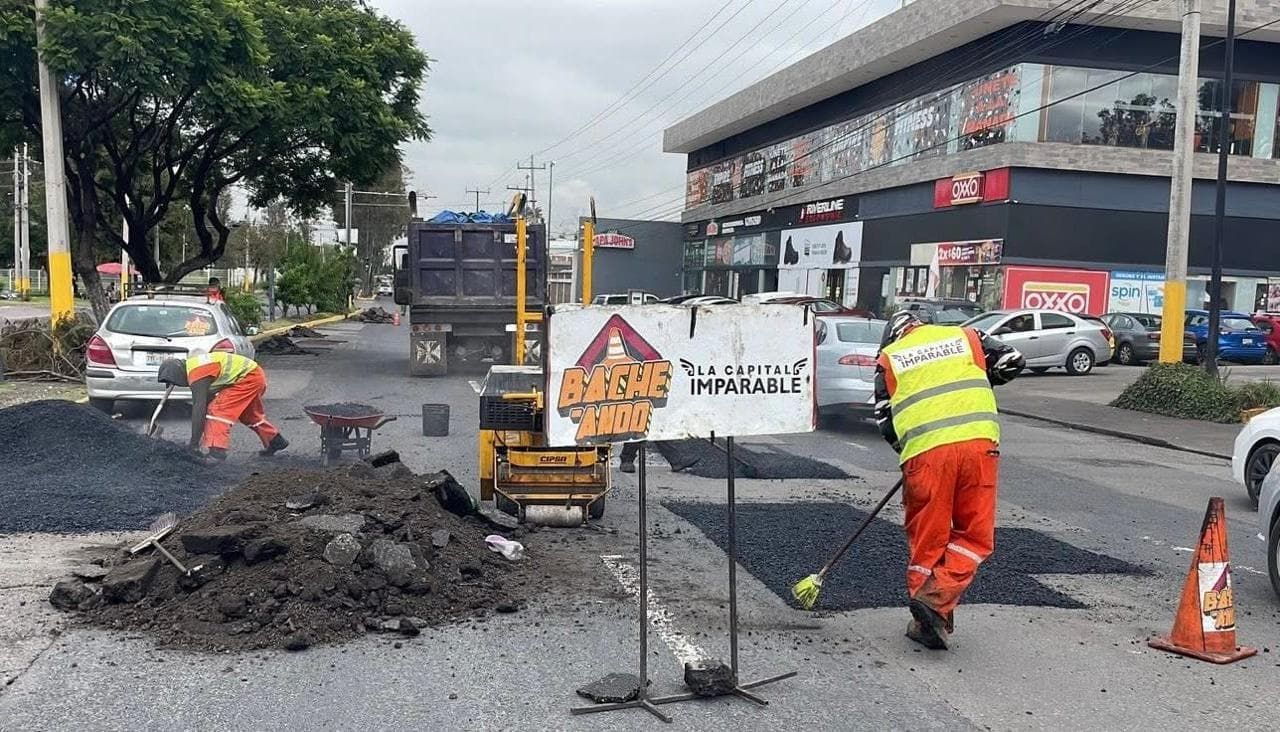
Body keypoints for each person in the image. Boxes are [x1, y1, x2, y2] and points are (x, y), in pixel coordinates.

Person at [873, 310, 1024, 650]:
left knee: (928, 538)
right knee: (974, 536)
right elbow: (1012, 361)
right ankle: (935, 607)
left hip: (926, 457)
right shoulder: (967, 338)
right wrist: (984, 378)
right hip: (979, 448)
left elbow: (885, 420)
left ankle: (928, 607)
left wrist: (910, 453)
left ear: (894, 334)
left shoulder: (889, 358)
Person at [156, 353, 288, 461]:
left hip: (248, 377)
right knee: (249, 415)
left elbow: (199, 408)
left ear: (179, 375)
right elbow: (205, 401)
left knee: (217, 411)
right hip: (253, 375)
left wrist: (194, 444)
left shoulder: (197, 374)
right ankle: (274, 440)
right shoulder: (195, 367)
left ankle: (217, 452)